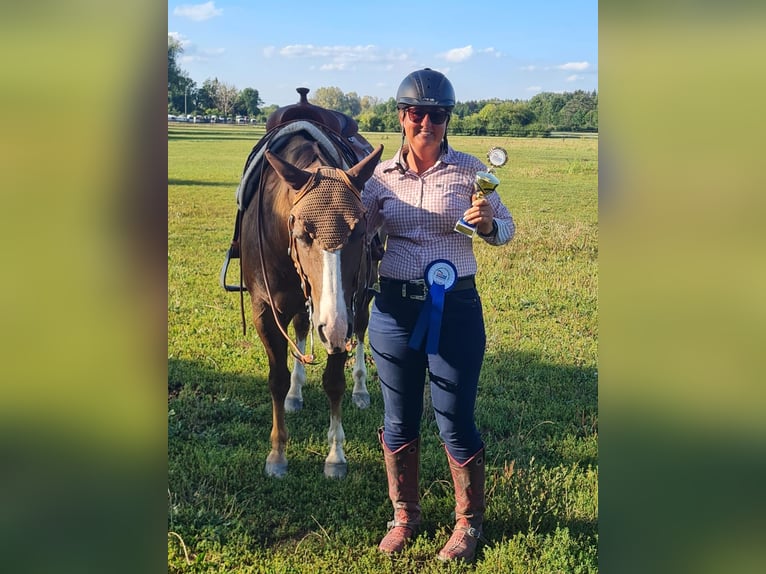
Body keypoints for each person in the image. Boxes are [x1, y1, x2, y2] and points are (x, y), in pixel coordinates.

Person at [362, 68, 515, 562]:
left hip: (456, 309)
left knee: (454, 417)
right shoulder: (379, 177)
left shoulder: (472, 171)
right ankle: (404, 516)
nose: (426, 122)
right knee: (398, 417)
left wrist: (490, 224)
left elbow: (508, 229)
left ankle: (467, 525)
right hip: (393, 311)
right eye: (416, 113)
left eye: (438, 114)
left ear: (448, 119)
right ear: (402, 117)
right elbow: (352, 229)